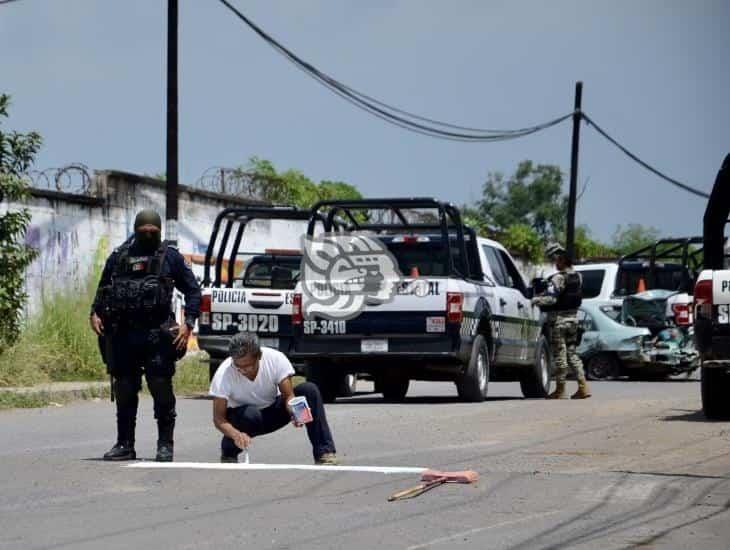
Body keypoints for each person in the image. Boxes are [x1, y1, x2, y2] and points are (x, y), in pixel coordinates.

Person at [90, 209, 201, 462]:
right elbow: (103, 288)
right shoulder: (119, 256)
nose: (149, 236)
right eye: (144, 232)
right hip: (123, 334)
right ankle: (124, 444)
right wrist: (94, 313)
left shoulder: (170, 257)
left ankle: (165, 445)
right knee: (125, 389)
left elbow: (193, 291)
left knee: (160, 388)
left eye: (153, 232)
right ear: (136, 230)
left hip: (157, 335)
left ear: (159, 231)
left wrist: (188, 324)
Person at [210, 332, 338, 465]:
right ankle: (229, 453)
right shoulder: (224, 374)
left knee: (309, 390)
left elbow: (288, 396)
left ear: (259, 356)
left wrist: (296, 413)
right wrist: (236, 434)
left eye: (248, 366)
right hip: (246, 418)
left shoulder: (275, 359)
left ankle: (325, 452)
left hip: (273, 411)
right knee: (250, 414)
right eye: (238, 367)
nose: (243, 371)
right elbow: (219, 419)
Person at [531, 243, 591, 400]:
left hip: (559, 321)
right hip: (574, 319)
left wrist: (536, 300)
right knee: (572, 354)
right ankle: (583, 387)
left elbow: (551, 299)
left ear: (562, 261)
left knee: (560, 355)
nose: (555, 263)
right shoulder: (579, 276)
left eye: (556, 260)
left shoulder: (559, 277)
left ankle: (560, 390)